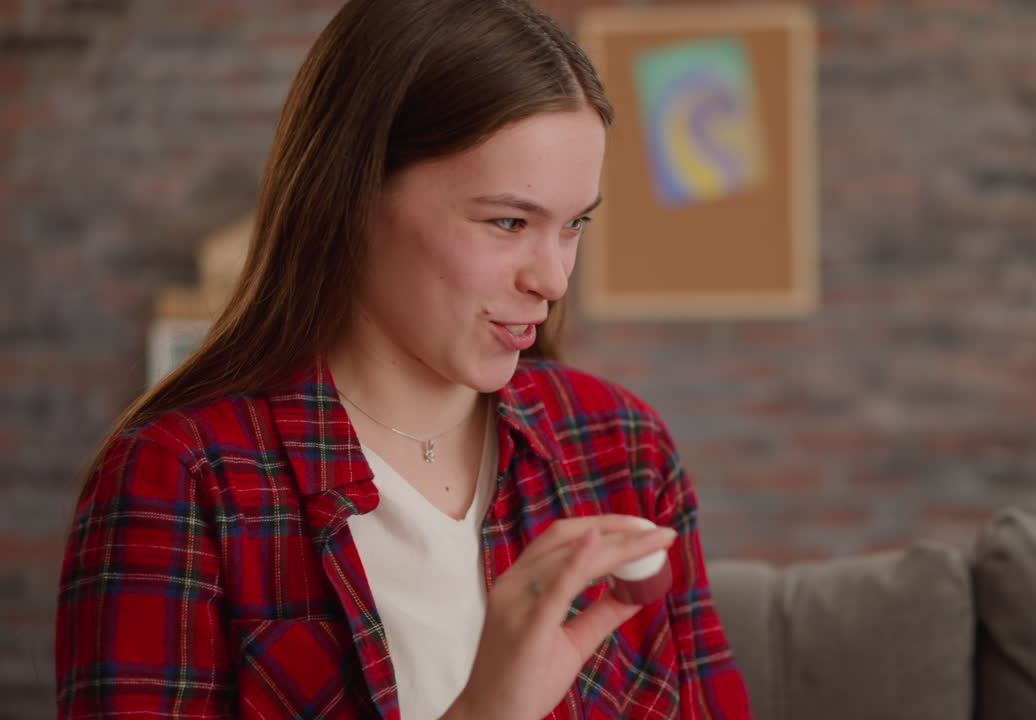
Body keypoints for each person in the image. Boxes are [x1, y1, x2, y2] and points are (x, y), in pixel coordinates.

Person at [54, 0, 753, 718]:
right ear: (352, 197)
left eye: (573, 225)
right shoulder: (180, 479)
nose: (553, 278)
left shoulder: (623, 447)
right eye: (508, 222)